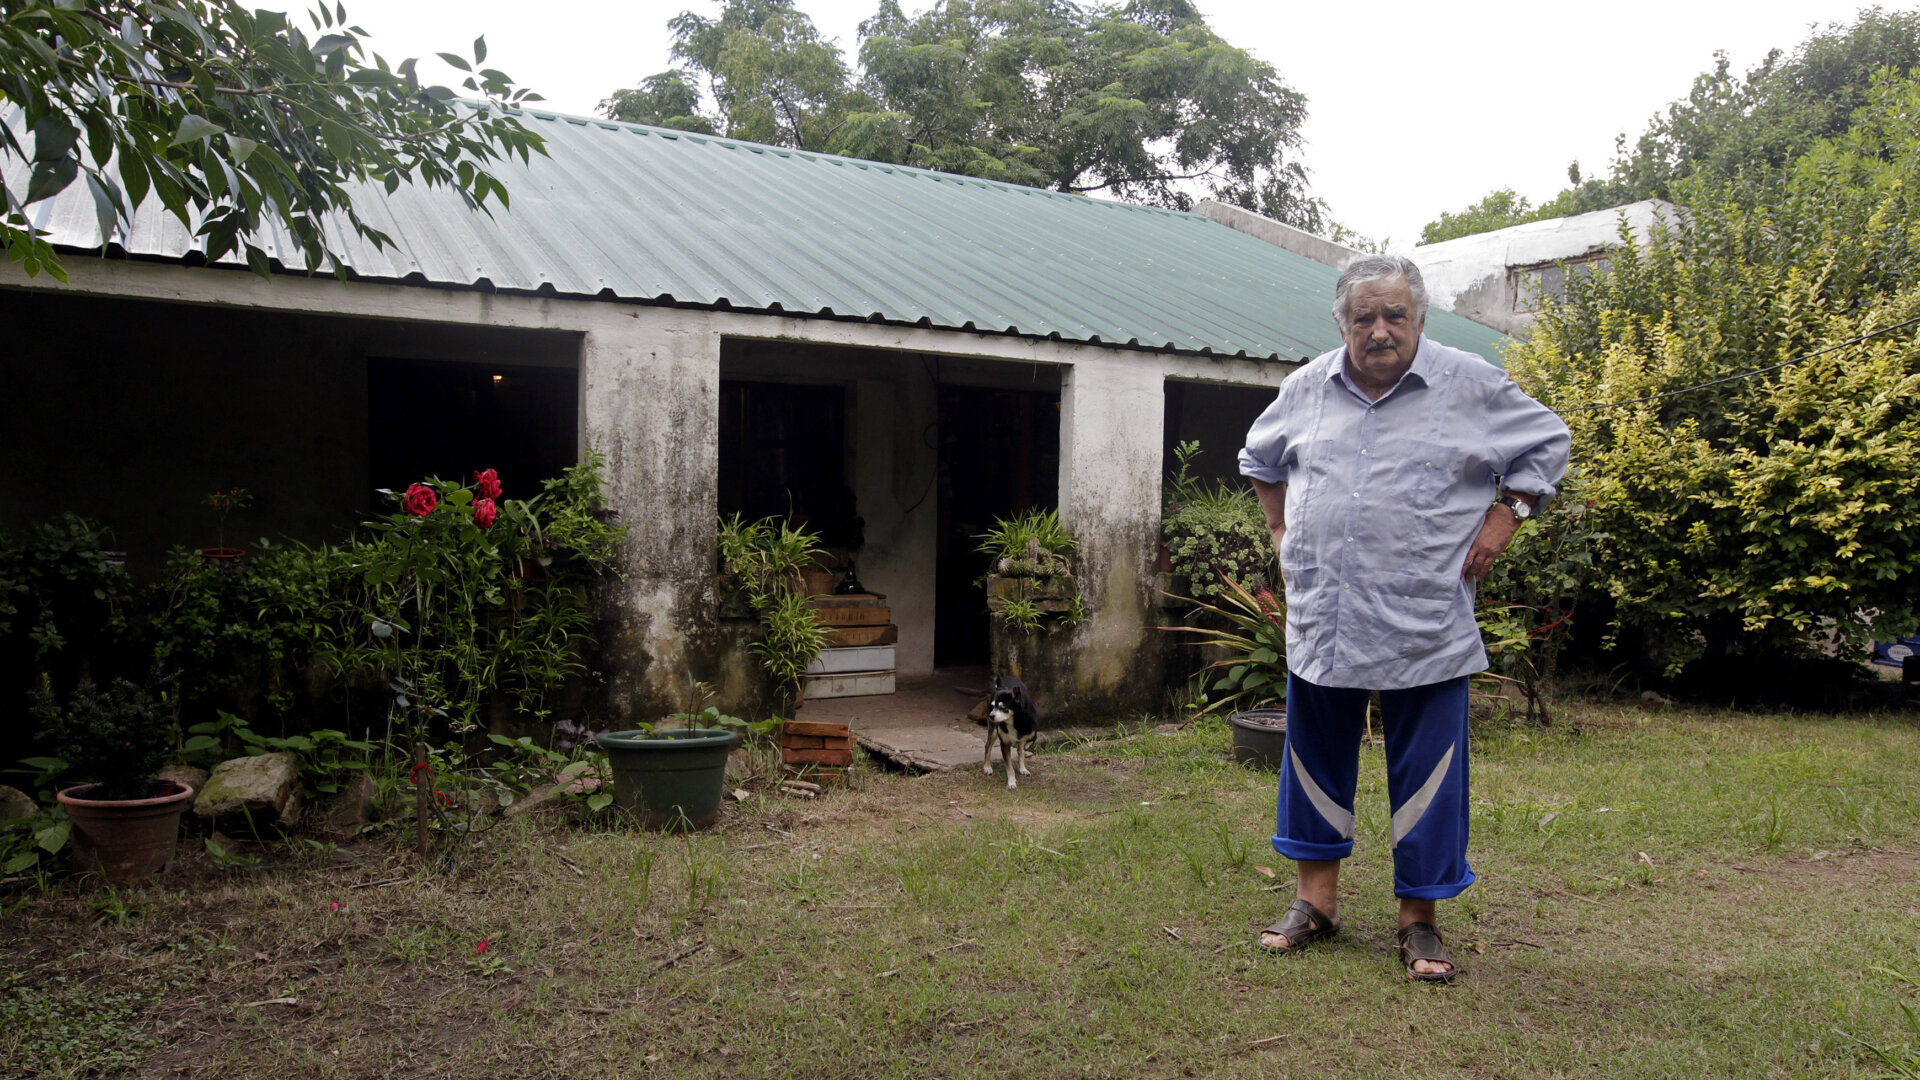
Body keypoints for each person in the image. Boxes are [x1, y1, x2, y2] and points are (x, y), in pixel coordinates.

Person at [1237, 254, 1570, 981]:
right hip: (1326, 614)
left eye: (1395, 315)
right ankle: (1314, 906)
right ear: (1342, 322)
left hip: (1425, 622)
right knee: (1314, 760)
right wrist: (1281, 535)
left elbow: (1549, 442)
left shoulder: (1470, 383)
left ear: (1419, 317)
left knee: (1427, 771)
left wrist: (1505, 518)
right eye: (1364, 317)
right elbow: (1260, 459)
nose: (1380, 330)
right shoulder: (1306, 387)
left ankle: (1419, 923)